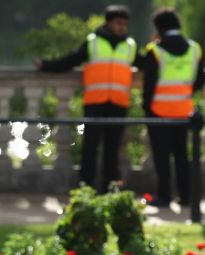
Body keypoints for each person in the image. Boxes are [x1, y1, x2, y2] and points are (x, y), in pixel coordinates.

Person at [35, 5, 143, 193]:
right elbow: (71, 60)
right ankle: (86, 188)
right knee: (90, 148)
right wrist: (46, 65)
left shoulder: (130, 45)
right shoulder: (93, 42)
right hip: (95, 102)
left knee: (113, 150)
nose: (122, 27)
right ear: (109, 23)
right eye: (119, 23)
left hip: (118, 103)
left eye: (125, 24)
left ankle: (110, 191)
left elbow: (145, 64)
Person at [141, 7, 205, 210]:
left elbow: (149, 85)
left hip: (159, 110)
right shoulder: (195, 48)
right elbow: (201, 78)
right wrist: (186, 92)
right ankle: (186, 196)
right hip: (184, 109)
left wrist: (146, 106)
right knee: (182, 155)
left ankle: (164, 196)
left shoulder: (155, 50)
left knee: (162, 156)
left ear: (159, 28)